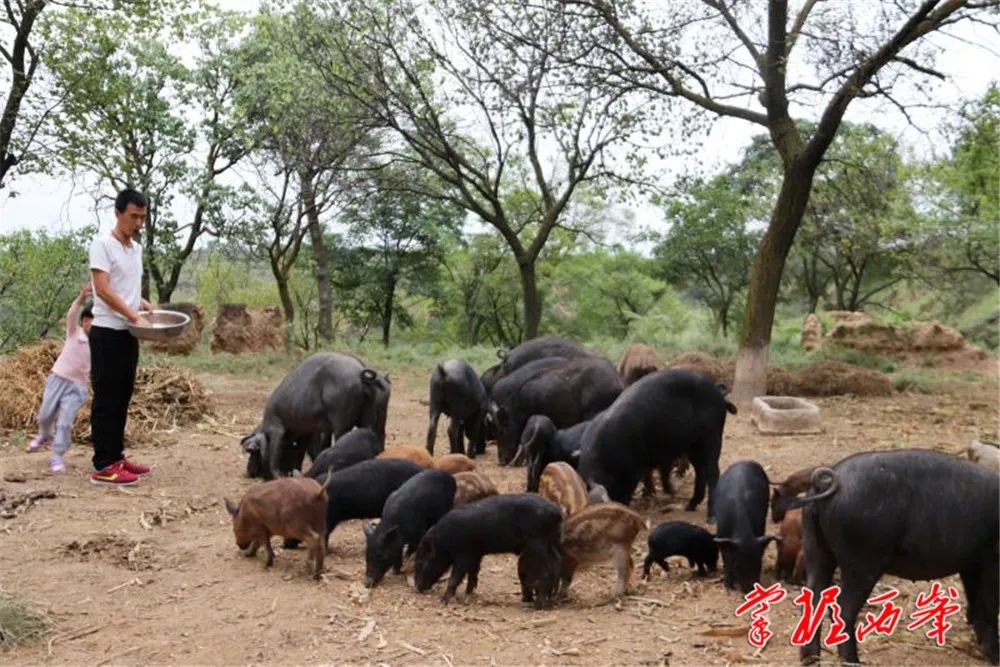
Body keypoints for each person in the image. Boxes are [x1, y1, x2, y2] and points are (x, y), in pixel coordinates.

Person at [87, 188, 154, 486]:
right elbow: (103, 289)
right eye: (133, 217)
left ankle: (117, 457)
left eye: (142, 218)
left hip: (128, 332)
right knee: (107, 399)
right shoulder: (102, 245)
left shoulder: (135, 249)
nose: (138, 223)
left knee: (123, 397)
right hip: (106, 332)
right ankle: (103, 465)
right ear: (117, 213)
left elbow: (125, 287)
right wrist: (132, 314)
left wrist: (141, 303)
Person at [26, 284, 95, 473]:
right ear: (84, 321)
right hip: (58, 379)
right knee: (45, 414)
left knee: (65, 422)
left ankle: (57, 455)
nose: (91, 323)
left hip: (77, 387)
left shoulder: (99, 343)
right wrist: (81, 298)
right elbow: (72, 314)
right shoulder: (75, 334)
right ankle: (44, 435)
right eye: (88, 319)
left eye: (95, 320)